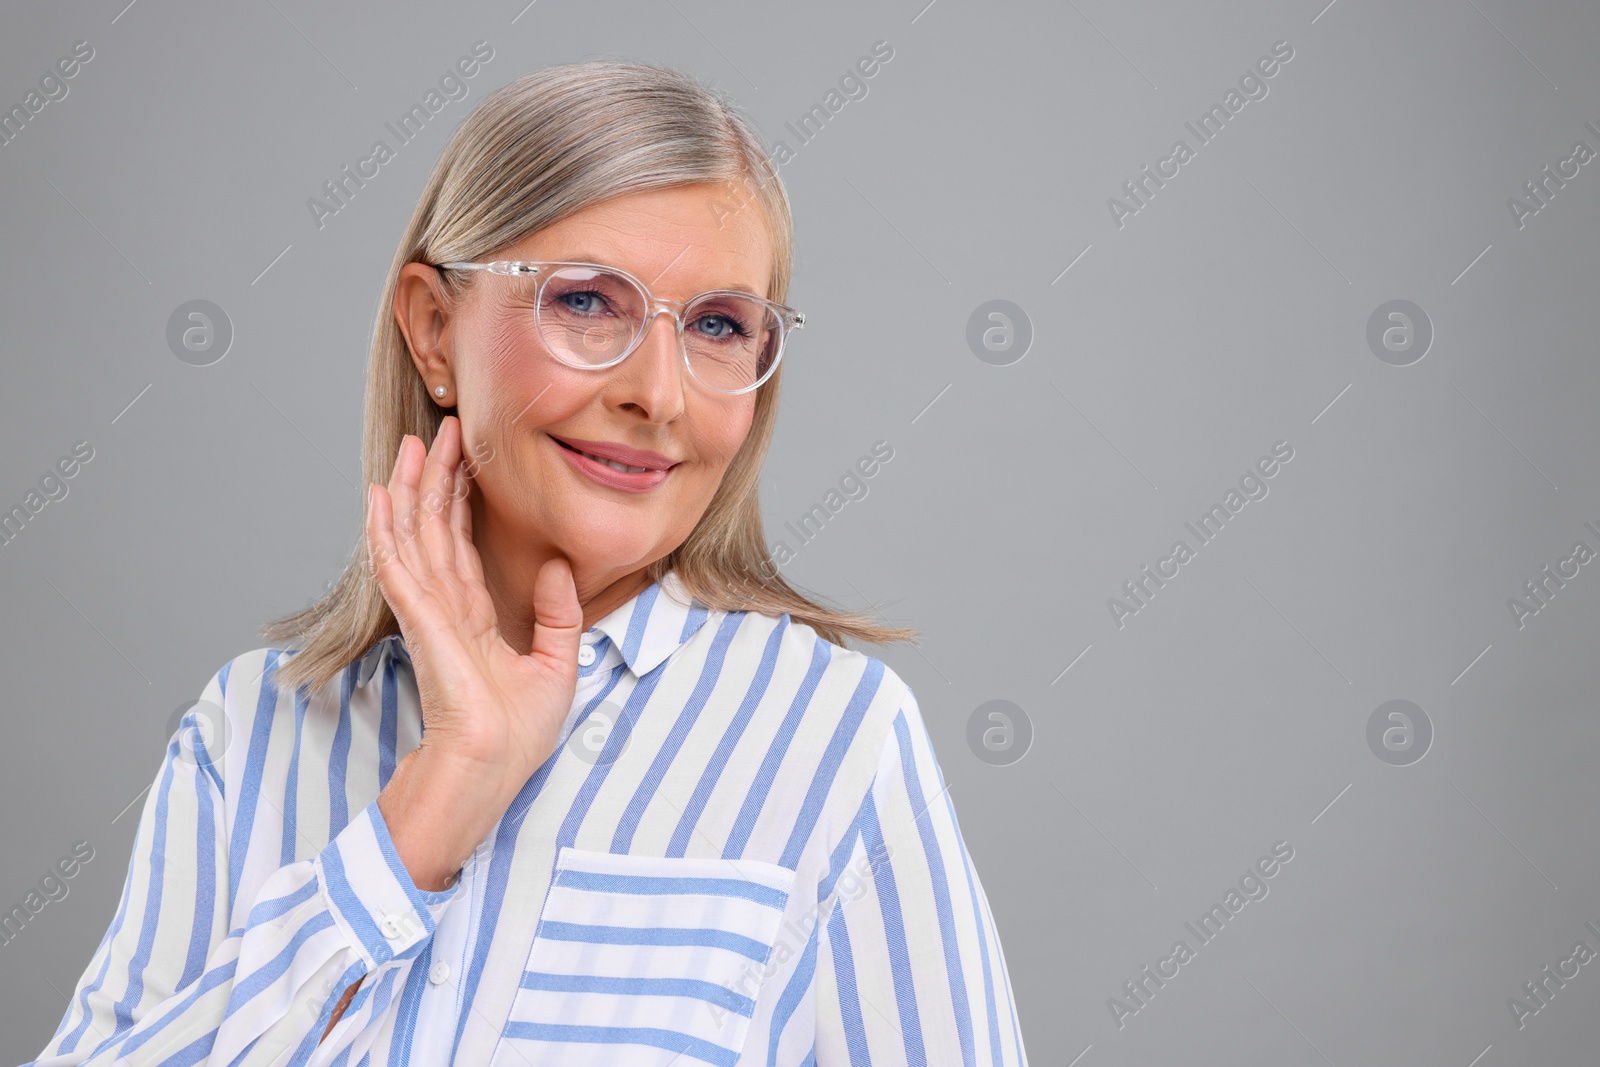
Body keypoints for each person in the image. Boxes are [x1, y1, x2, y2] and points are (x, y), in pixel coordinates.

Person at [28, 60, 1028, 1067]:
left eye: (719, 325)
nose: (659, 393)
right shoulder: (248, 733)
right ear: (433, 329)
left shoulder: (835, 741)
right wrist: (431, 805)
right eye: (590, 301)